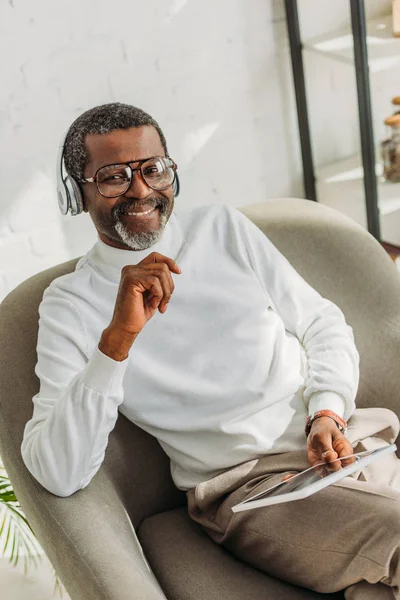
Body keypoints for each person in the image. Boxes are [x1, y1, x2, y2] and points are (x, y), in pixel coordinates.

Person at [21, 102, 400, 600]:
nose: (140, 190)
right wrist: (117, 340)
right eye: (113, 176)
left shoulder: (222, 228)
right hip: (255, 491)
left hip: (347, 445)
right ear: (78, 192)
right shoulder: (70, 305)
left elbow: (320, 322)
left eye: (152, 169)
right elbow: (58, 471)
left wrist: (326, 411)